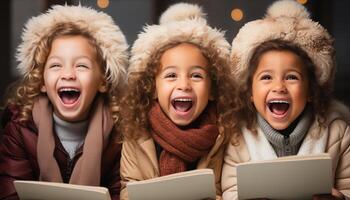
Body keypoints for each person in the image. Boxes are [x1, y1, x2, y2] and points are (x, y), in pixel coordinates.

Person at [221, 1, 350, 200]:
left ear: (310, 91)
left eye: (291, 77)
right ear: (250, 93)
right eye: (266, 77)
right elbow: (230, 190)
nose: (279, 87)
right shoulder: (238, 139)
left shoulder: (338, 133)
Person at [0, 5, 128, 200]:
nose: (68, 74)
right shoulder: (20, 128)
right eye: (56, 65)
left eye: (81, 65)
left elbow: (120, 193)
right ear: (42, 80)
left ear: (102, 81)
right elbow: (10, 193)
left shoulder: (119, 136)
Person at [119, 3, 239, 200]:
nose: (184, 85)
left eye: (196, 76)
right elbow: (128, 189)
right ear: (153, 89)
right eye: (171, 75)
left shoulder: (223, 134)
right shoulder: (137, 132)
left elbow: (223, 191)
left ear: (212, 90)